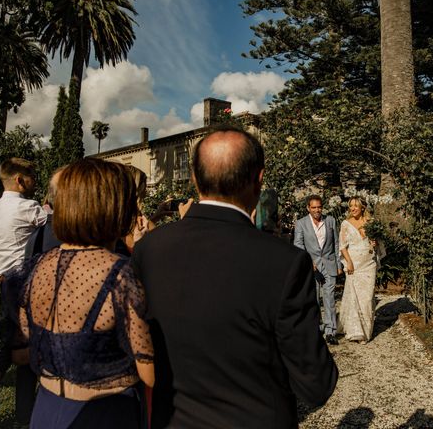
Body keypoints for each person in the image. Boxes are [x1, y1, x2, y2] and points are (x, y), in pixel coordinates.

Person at [132, 127, 338, 428]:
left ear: (194, 178)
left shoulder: (149, 248)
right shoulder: (285, 262)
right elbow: (316, 383)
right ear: (259, 179)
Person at [13, 158, 155, 429]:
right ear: (113, 209)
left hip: (47, 407)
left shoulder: (34, 269)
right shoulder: (119, 274)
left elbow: (20, 353)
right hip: (103, 412)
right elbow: (148, 373)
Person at [0, 157, 47, 427]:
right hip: (28, 288)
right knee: (24, 352)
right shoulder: (30, 208)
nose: (35, 182)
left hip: (5, 284)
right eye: (32, 176)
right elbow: (57, 226)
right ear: (20, 180)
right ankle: (23, 414)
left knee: (11, 348)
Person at [294, 194, 342, 345]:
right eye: (313, 207)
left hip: (329, 264)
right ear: (308, 208)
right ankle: (316, 328)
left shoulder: (331, 221)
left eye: (319, 207)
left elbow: (336, 244)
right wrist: (308, 261)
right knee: (313, 299)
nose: (317, 210)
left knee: (329, 298)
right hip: (311, 266)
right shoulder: (301, 223)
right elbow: (298, 244)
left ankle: (330, 331)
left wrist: (339, 265)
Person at [338, 197, 380, 344]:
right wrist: (348, 262)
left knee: (367, 298)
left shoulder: (371, 222)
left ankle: (366, 331)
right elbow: (342, 246)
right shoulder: (345, 224)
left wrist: (375, 243)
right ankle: (356, 332)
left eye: (356, 206)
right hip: (354, 264)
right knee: (354, 297)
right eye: (351, 206)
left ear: (363, 207)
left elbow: (378, 244)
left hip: (369, 264)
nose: (353, 209)